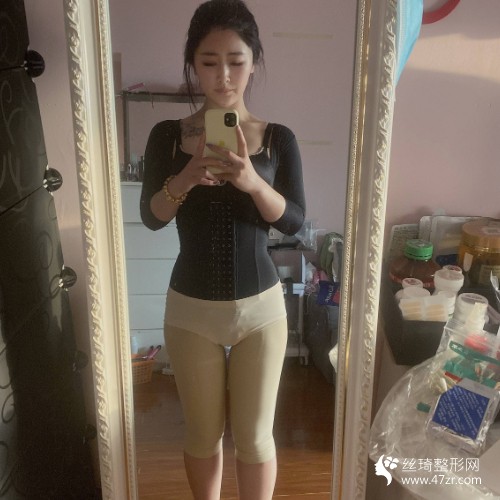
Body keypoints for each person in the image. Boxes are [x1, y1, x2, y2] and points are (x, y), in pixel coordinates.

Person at [140, 1, 305, 498]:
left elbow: (294, 221)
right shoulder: (167, 137)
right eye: (209, 62)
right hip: (190, 311)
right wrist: (186, 178)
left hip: (261, 312)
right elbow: (151, 217)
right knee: (201, 435)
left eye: (236, 61)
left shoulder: (277, 139)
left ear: (254, 62)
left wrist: (252, 181)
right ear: (193, 64)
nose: (224, 75)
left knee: (255, 439)